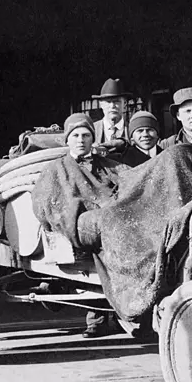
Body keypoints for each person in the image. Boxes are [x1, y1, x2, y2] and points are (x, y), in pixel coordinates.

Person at [32, 113, 129, 339]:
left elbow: (128, 181)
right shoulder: (56, 169)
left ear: (92, 139)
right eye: (75, 135)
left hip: (112, 221)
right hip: (82, 227)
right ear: (67, 140)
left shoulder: (108, 166)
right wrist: (80, 209)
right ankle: (99, 318)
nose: (80, 139)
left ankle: (128, 313)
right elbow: (44, 203)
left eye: (86, 135)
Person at [91, 78, 132, 155]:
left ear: (125, 104)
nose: (112, 106)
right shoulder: (92, 130)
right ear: (101, 105)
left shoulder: (132, 130)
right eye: (108, 102)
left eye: (117, 101)